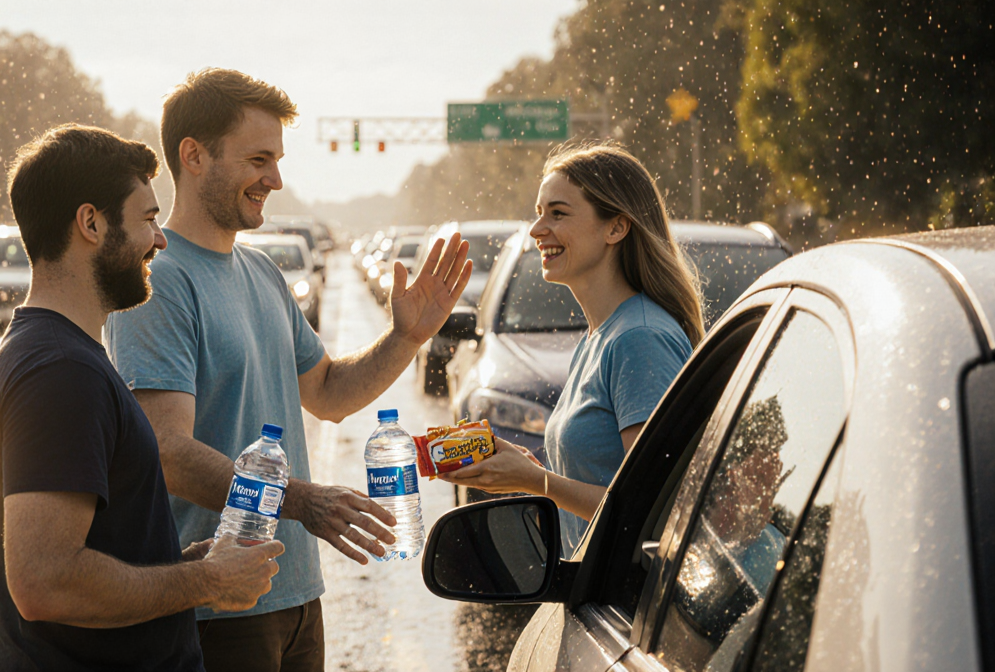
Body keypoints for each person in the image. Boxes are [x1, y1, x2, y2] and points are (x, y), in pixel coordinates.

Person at [104, 68, 472, 672]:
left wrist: (407, 337)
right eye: (257, 159)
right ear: (193, 156)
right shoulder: (161, 282)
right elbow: (166, 452)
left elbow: (328, 393)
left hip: (297, 594)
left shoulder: (263, 274)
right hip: (218, 605)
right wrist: (301, 501)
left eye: (276, 160)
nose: (274, 179)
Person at [0, 124, 284, 671]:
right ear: (91, 223)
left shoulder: (56, 352)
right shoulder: (60, 371)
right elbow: (44, 581)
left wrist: (174, 563)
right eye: (146, 219)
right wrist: (205, 580)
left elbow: (90, 547)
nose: (160, 239)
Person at [442, 142, 704, 554]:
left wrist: (536, 482)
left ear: (616, 228)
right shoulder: (599, 335)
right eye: (539, 212)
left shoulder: (640, 339)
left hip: (629, 607)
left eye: (558, 213)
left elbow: (655, 513)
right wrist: (528, 469)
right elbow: (607, 479)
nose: (536, 229)